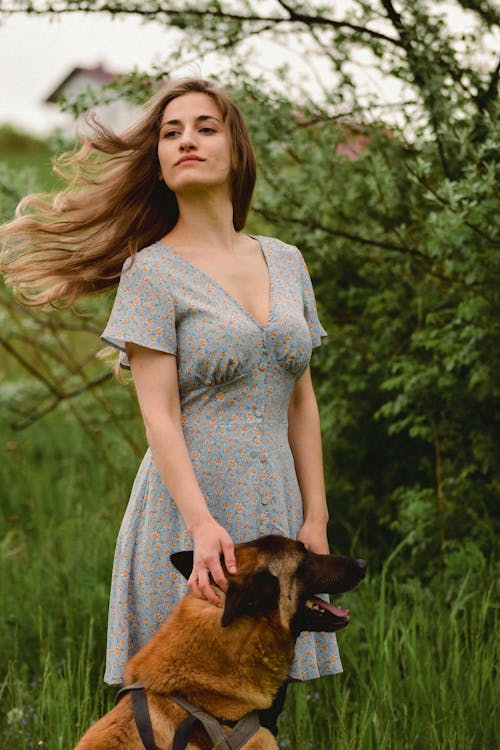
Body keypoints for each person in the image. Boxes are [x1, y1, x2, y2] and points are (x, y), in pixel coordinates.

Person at [0, 77, 341, 736]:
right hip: (188, 517)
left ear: (236, 151)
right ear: (157, 160)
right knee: (182, 719)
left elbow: (302, 399)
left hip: (275, 515)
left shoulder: (287, 261)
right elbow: (158, 415)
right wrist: (200, 525)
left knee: (261, 712)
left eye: (205, 127)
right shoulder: (151, 271)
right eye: (170, 131)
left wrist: (316, 516)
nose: (186, 139)